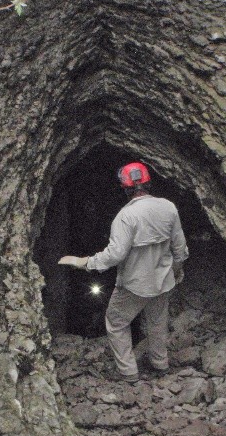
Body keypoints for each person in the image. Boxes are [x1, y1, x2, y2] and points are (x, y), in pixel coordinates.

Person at [59, 161, 188, 383]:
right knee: (157, 322)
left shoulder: (125, 217)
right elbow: (180, 249)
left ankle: (128, 372)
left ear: (125, 188)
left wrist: (86, 262)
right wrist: (177, 270)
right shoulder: (168, 207)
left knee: (116, 321)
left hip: (134, 285)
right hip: (163, 280)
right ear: (148, 182)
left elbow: (115, 255)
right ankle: (160, 364)